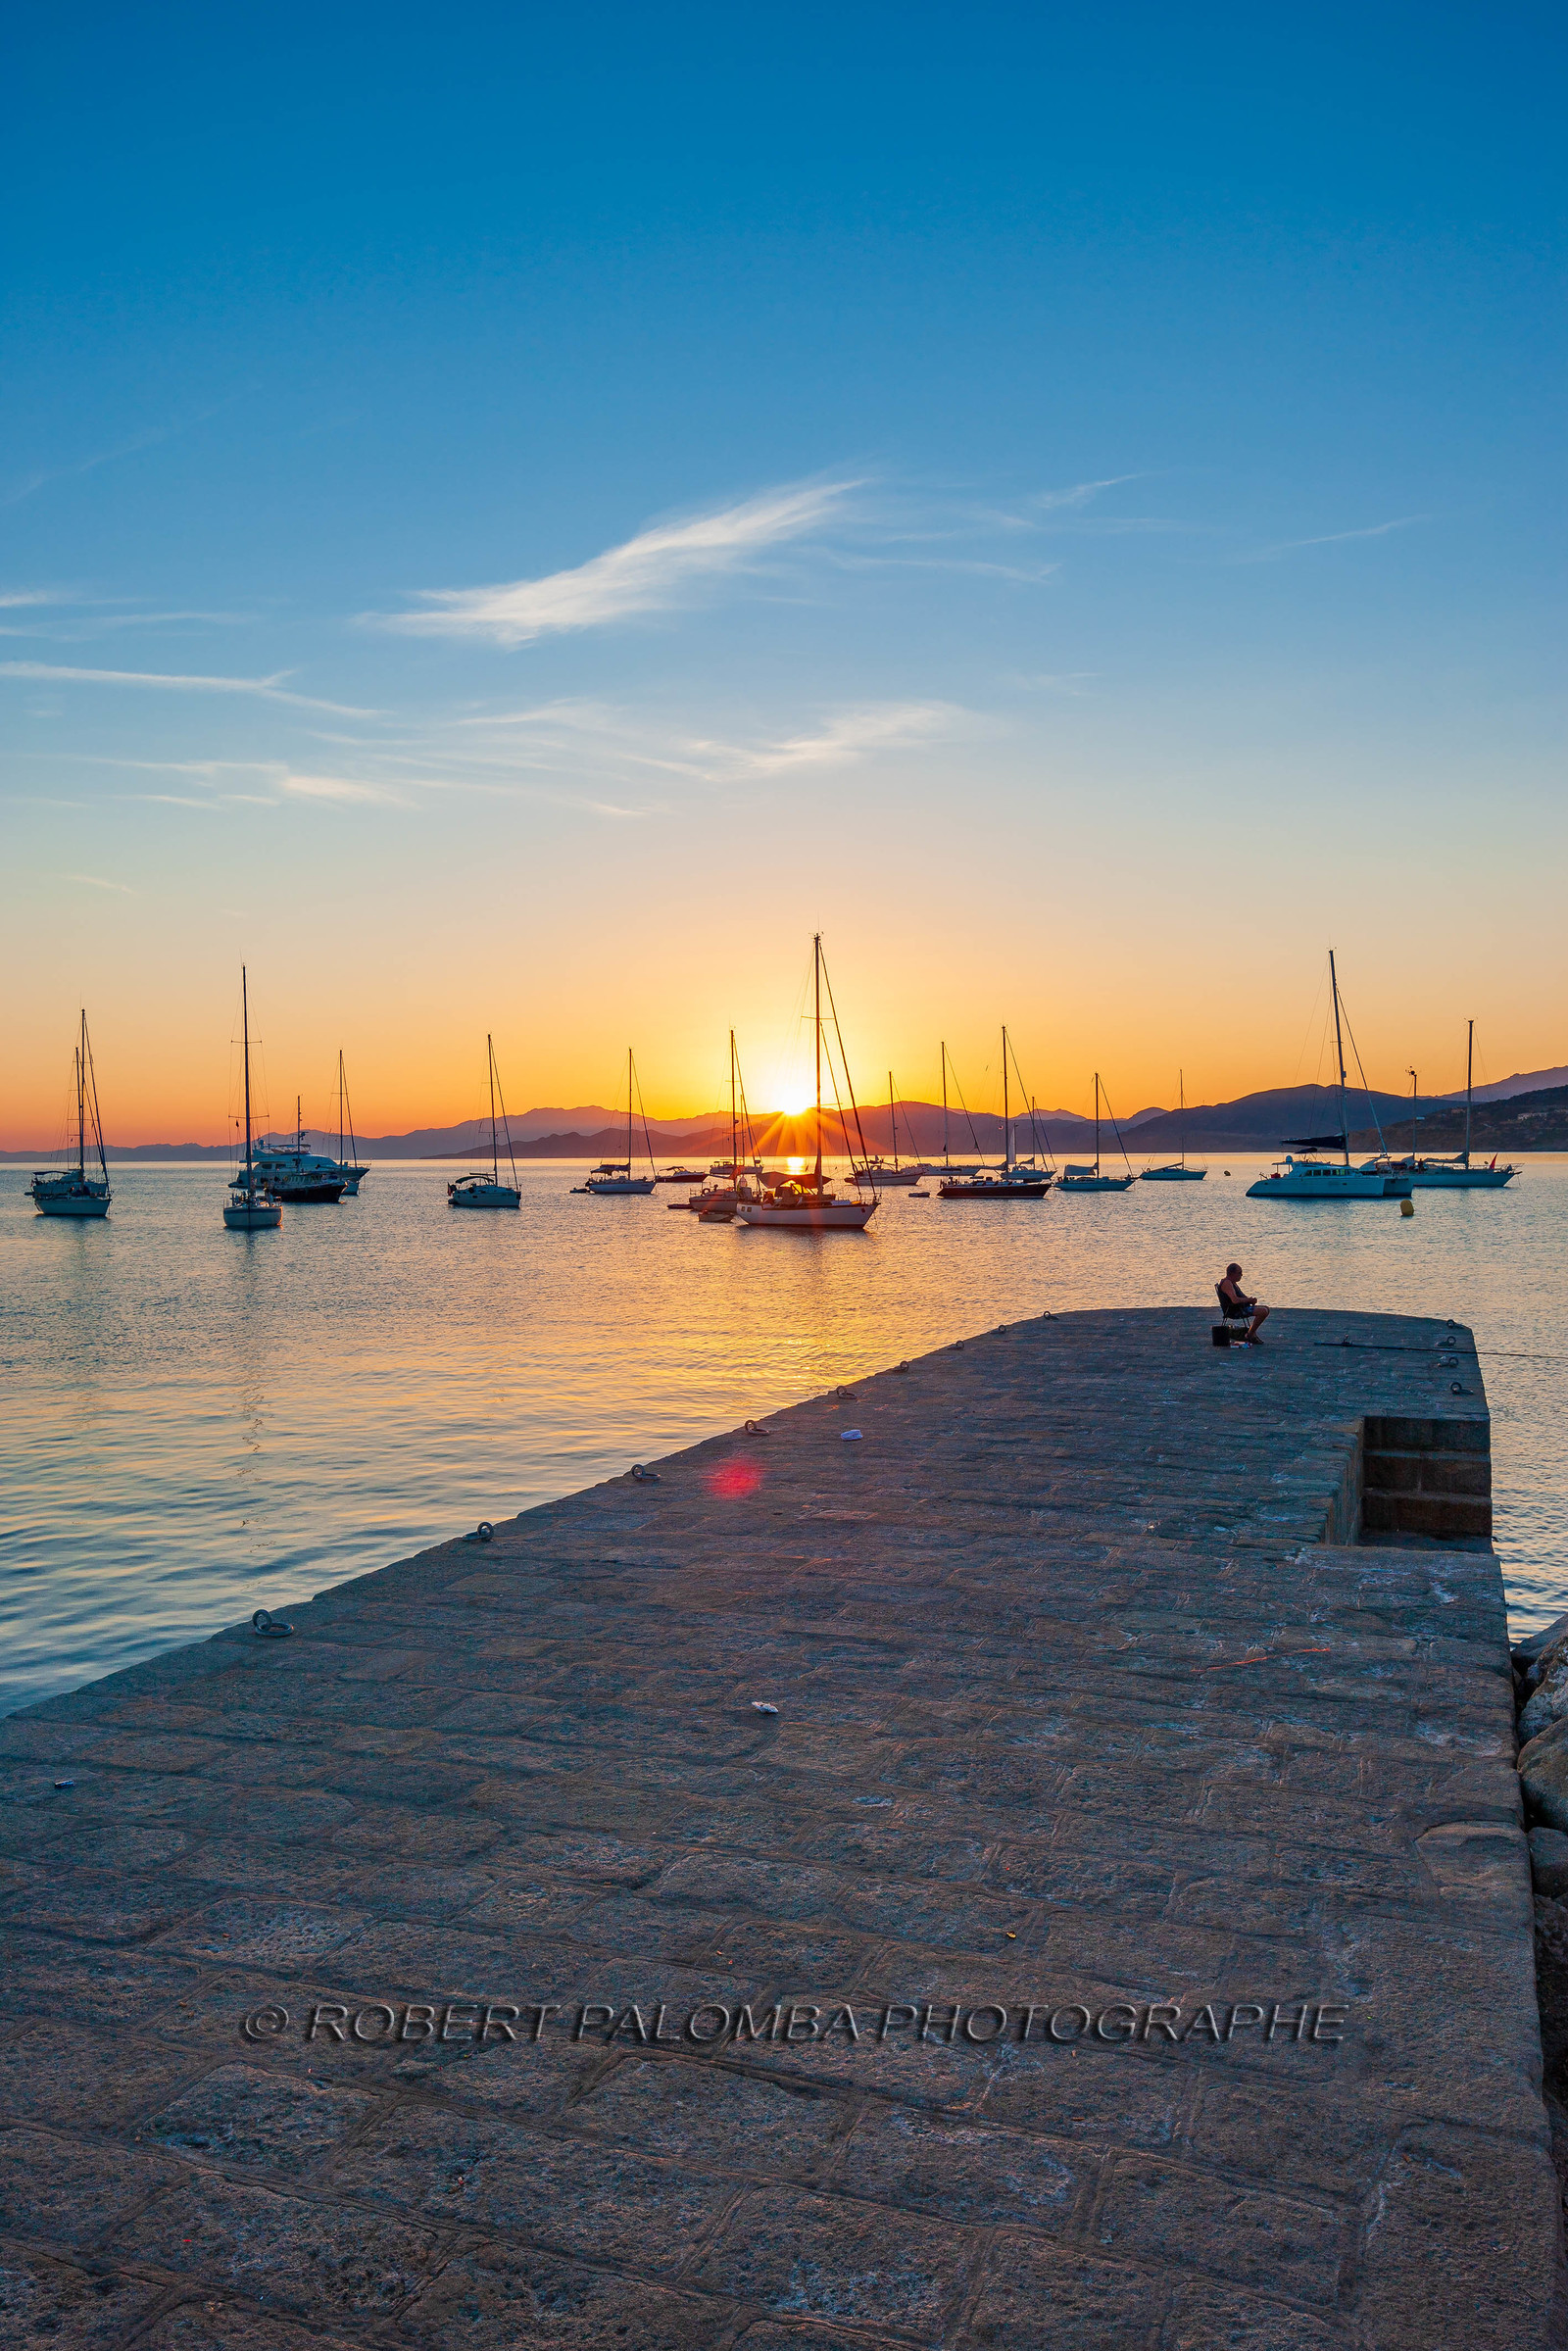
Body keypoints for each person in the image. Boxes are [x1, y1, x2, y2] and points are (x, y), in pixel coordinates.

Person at [1218, 1262, 1269, 1343]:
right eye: (1239, 1273)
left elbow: (1242, 1297)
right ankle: (1249, 1335)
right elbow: (1235, 1300)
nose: (1241, 1275)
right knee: (1263, 1312)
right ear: (1232, 1273)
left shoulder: (1233, 1283)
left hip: (1241, 1307)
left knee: (1266, 1308)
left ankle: (1251, 1333)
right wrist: (1248, 1300)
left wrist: (1250, 1299)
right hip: (1235, 1311)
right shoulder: (1227, 1283)